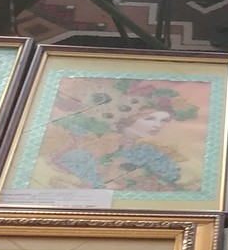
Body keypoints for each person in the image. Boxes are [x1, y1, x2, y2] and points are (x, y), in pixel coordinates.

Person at [48, 82, 196, 192]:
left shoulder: (147, 150)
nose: (158, 125)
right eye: (150, 119)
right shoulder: (91, 145)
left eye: (164, 120)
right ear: (128, 117)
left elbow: (171, 178)